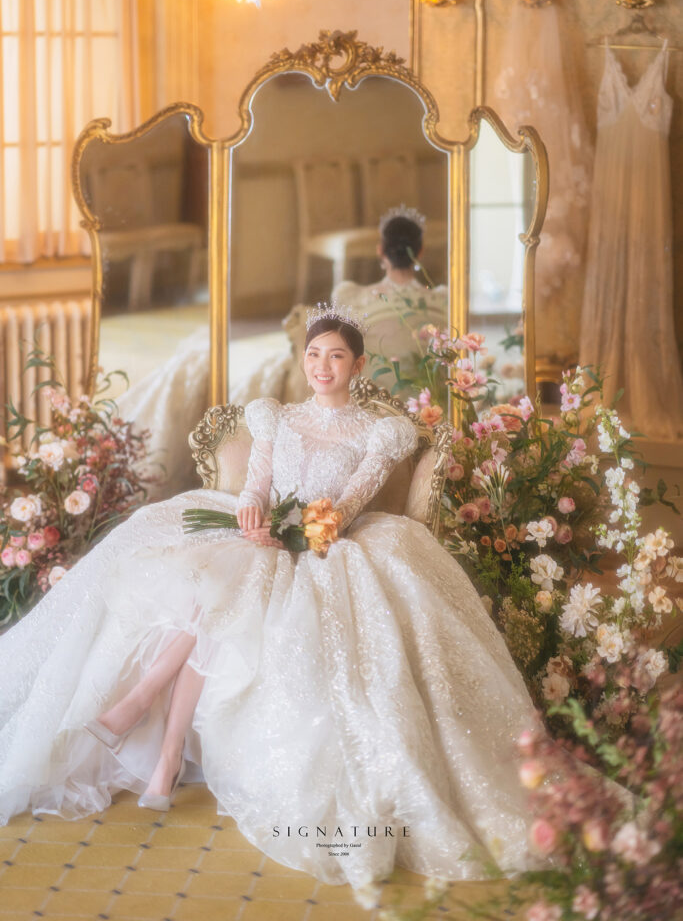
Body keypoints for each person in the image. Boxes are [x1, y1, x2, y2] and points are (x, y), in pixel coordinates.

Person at [0, 303, 541, 888]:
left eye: (336, 356)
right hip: (257, 534)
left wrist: (296, 532)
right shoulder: (275, 417)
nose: (322, 366)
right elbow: (256, 484)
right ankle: (162, 745)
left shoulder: (378, 432)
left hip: (326, 545)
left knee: (229, 594)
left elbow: (349, 505)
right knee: (208, 582)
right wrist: (253, 512)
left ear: (358, 365)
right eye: (313, 354)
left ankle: (153, 725)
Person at [117, 206, 448, 501]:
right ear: (419, 251)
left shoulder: (351, 295)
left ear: (380, 250)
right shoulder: (443, 301)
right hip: (419, 395)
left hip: (349, 402)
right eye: (312, 355)